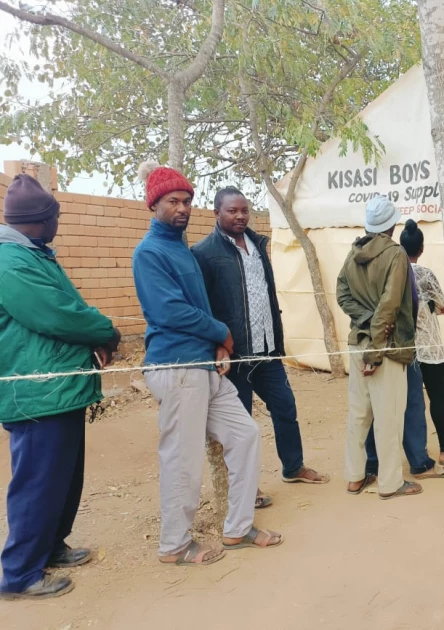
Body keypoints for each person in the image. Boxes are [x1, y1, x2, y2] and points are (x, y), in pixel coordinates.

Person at [133, 162, 281, 566]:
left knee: (246, 434)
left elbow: (197, 306)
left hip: (204, 366)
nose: (181, 209)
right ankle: (174, 545)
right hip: (176, 367)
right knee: (182, 458)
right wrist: (221, 332)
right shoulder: (149, 252)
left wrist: (217, 346)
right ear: (154, 205)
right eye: (172, 202)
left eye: (186, 202)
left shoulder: (180, 247)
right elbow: (169, 312)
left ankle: (237, 528)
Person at [0, 175, 121, 601]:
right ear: (39, 219)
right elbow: (57, 315)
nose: (58, 223)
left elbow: (70, 307)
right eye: (55, 216)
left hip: (59, 388)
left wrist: (93, 336)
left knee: (63, 479)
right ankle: (18, 574)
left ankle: (51, 546)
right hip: (37, 395)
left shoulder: (33, 256)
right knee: (37, 483)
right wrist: (105, 331)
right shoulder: (9, 263)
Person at [192, 187, 329, 510]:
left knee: (285, 407)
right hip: (235, 355)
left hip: (266, 351)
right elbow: (204, 306)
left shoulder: (257, 245)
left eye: (244, 211)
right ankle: (245, 489)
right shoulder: (204, 253)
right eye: (232, 211)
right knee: (240, 426)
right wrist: (217, 346)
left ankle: (293, 467)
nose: (240, 216)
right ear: (216, 214)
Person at [336, 196, 422, 499]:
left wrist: (364, 319)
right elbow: (389, 306)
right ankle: (390, 483)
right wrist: (375, 346)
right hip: (385, 347)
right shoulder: (396, 254)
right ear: (392, 225)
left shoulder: (353, 252)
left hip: (358, 343)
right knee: (388, 418)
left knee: (359, 415)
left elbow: (342, 295)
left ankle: (354, 477)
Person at [365, 219, 444, 474]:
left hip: (404, 348)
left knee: (405, 402)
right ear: (421, 249)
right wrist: (434, 306)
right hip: (429, 347)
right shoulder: (424, 274)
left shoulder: (392, 273)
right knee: (437, 399)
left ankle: (380, 459)